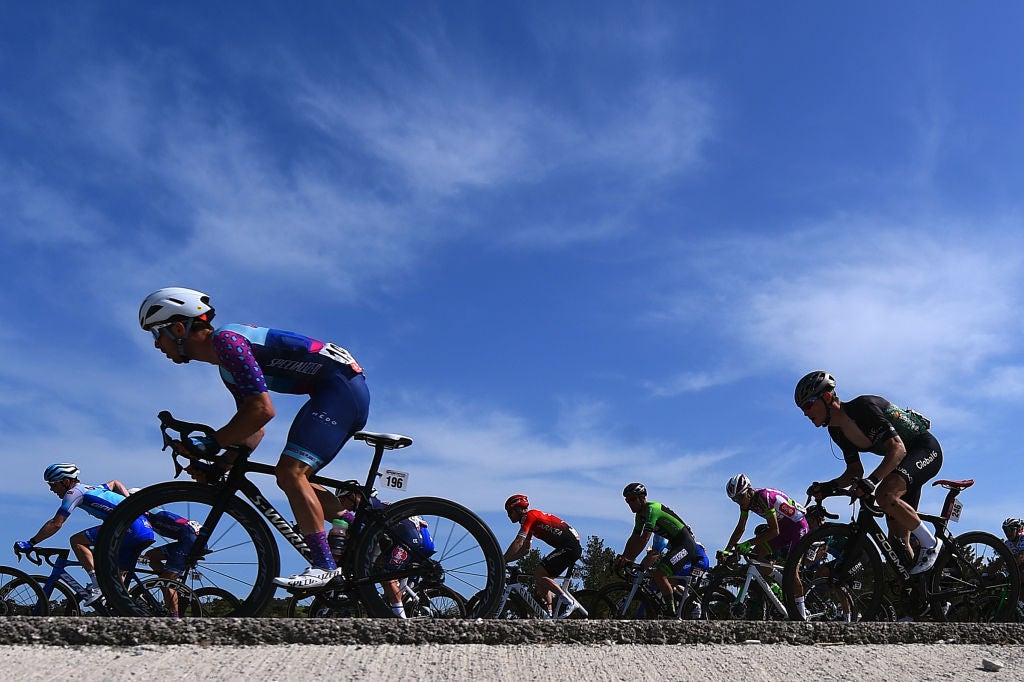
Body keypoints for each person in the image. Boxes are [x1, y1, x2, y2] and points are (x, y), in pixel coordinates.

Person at [139, 287, 370, 589]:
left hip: (341, 390)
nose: (157, 345)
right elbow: (253, 427)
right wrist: (221, 464)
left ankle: (324, 566)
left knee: (290, 472)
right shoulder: (227, 367)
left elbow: (262, 410)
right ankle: (361, 531)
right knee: (289, 475)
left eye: (157, 334)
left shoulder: (227, 342)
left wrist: (209, 444)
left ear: (179, 328)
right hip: (333, 390)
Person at [796, 371, 943, 575]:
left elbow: (897, 449)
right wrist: (828, 487)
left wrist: (872, 481)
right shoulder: (836, 431)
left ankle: (931, 543)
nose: (805, 412)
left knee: (885, 494)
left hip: (925, 450)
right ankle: (926, 593)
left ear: (827, 397)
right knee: (897, 543)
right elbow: (854, 471)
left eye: (808, 405)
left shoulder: (863, 408)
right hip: (904, 464)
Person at [14, 464, 155, 606]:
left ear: (66, 481)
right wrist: (130, 502)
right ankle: (137, 605)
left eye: (53, 484)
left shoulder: (74, 493)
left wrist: (31, 542)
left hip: (129, 528)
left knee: (77, 541)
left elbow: (56, 523)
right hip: (142, 528)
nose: (51, 489)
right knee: (115, 580)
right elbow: (115, 483)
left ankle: (97, 584)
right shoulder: (93, 488)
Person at [723, 473, 810, 619]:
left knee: (792, 572)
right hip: (783, 529)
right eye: (735, 500)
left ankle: (801, 616)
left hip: (798, 527)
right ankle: (782, 582)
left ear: (748, 490)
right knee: (756, 557)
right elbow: (740, 528)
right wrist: (727, 550)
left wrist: (748, 543)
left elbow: (774, 531)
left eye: (740, 497)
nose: (739, 502)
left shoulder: (763, 497)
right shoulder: (747, 502)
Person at [334, 488, 432, 618]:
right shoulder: (373, 505)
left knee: (386, 576)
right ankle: (399, 602)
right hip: (407, 540)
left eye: (342, 499)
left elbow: (360, 538)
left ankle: (400, 619)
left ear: (353, 495)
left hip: (408, 540)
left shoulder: (367, 507)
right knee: (380, 569)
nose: (341, 504)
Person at [613, 482, 701, 612]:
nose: (629, 503)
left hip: (685, 545)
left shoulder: (651, 509)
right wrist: (624, 556)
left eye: (632, 499)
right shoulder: (639, 516)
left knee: (660, 576)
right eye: (627, 500)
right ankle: (681, 605)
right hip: (676, 546)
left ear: (642, 498)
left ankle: (672, 613)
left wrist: (630, 559)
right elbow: (634, 538)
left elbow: (645, 539)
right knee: (655, 581)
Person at [502, 494, 585, 619]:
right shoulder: (528, 522)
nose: (508, 515)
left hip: (570, 546)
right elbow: (525, 550)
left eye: (510, 512)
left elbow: (518, 542)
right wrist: (507, 560)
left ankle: (568, 602)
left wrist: (502, 560)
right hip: (567, 546)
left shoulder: (530, 516)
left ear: (519, 508)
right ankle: (549, 616)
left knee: (540, 573)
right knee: (541, 580)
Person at [643, 534, 709, 619]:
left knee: (668, 580)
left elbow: (656, 552)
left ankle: (692, 605)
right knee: (669, 582)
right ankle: (684, 604)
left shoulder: (666, 538)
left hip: (698, 561)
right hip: (698, 561)